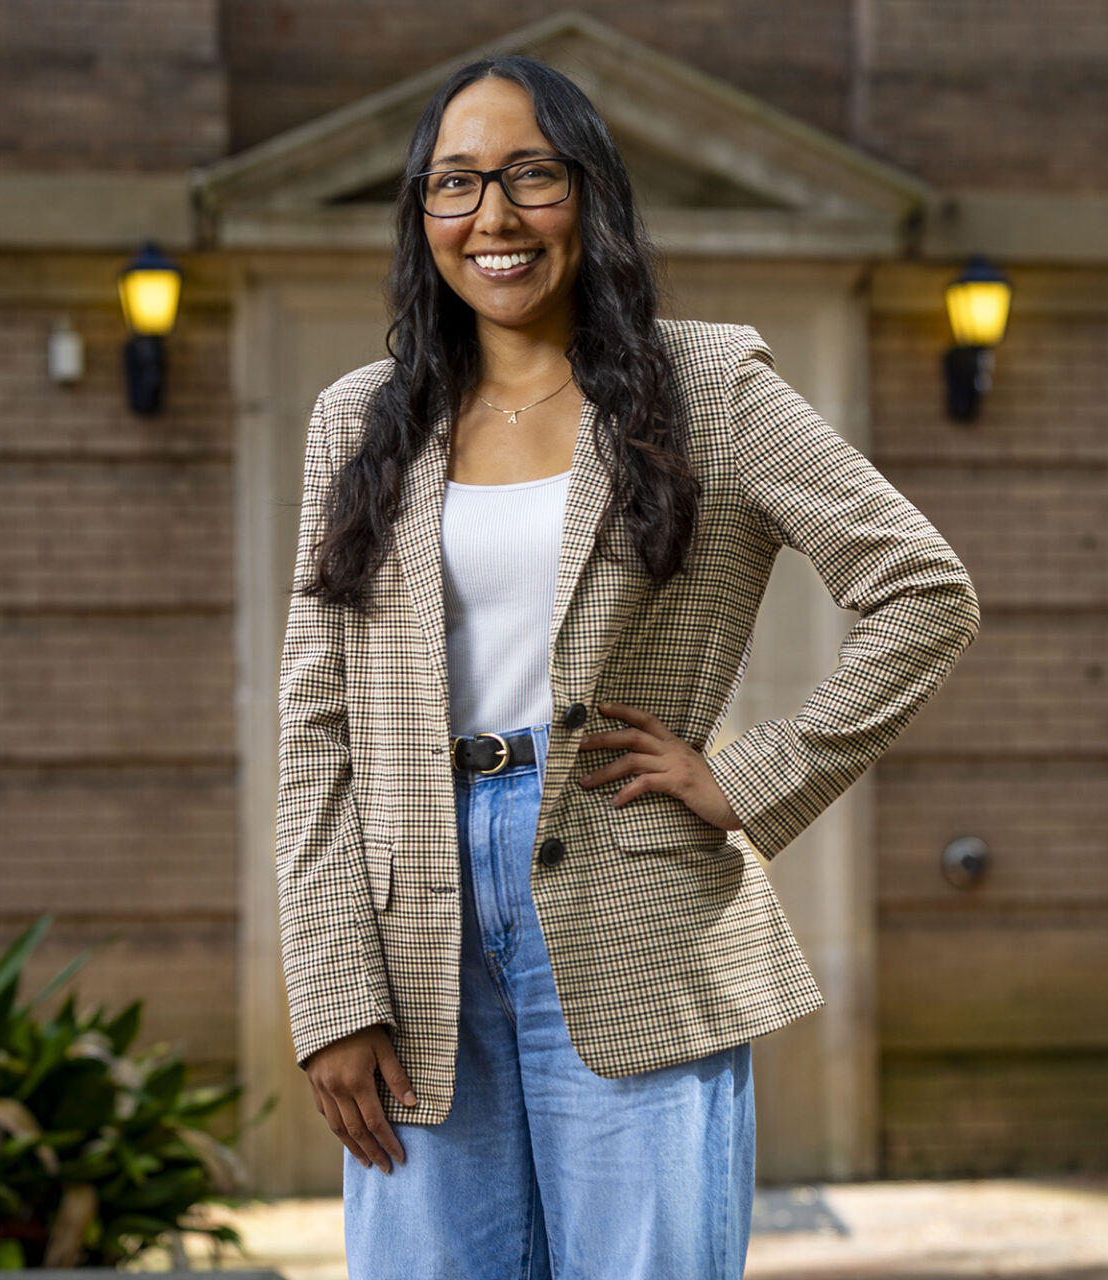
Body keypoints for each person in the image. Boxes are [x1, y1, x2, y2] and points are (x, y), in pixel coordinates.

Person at [277, 53, 980, 1280]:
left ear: (588, 195)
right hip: (410, 917)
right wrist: (332, 987)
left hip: (632, 892)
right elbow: (315, 719)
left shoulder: (704, 386)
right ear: (421, 215)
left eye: (527, 176)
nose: (491, 217)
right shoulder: (361, 417)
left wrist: (748, 779)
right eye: (454, 184)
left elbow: (924, 592)